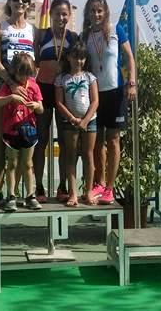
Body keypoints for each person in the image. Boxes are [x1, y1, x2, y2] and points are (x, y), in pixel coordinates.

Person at [81, 0, 136, 205]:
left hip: (115, 92)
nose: (96, 15)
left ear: (105, 13)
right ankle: (100, 183)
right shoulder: (84, 35)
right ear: (88, 13)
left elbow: (129, 57)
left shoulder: (116, 31)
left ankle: (110, 189)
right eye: (93, 11)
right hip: (95, 94)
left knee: (113, 140)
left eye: (100, 11)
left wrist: (131, 82)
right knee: (96, 143)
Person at [0, 0, 36, 209]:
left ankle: (30, 193)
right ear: (10, 1)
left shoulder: (32, 30)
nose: (20, 3)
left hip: (27, 91)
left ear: (28, 4)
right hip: (6, 88)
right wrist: (12, 86)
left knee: (27, 140)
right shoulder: (0, 27)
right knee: (0, 142)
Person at [33, 0, 79, 203]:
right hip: (43, 91)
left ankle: (63, 186)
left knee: (65, 142)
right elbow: (33, 62)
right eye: (57, 13)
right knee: (41, 141)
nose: (61, 17)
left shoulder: (74, 38)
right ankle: (40, 187)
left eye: (64, 14)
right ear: (50, 15)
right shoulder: (42, 35)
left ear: (69, 16)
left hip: (65, 93)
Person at [0, 53, 44, 211]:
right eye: (21, 74)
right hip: (11, 131)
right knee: (12, 164)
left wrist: (36, 106)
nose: (24, 78)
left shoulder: (34, 86)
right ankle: (11, 196)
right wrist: (11, 98)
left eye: (28, 74)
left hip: (29, 130)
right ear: (14, 71)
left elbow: (41, 109)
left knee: (28, 164)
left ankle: (30, 195)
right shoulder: (8, 87)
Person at [55, 42, 99, 206]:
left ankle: (88, 192)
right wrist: (73, 119)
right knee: (71, 157)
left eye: (82, 58)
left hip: (90, 122)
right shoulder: (61, 79)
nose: (78, 61)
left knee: (88, 156)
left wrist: (85, 120)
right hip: (69, 122)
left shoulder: (89, 77)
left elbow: (95, 101)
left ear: (85, 59)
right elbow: (59, 102)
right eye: (75, 57)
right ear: (68, 57)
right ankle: (73, 194)